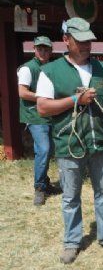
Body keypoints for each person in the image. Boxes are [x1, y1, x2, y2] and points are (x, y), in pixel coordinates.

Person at [36, 17, 103, 264]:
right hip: (69, 143)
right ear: (66, 40)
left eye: (89, 41)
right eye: (81, 41)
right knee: (70, 197)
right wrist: (75, 100)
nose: (87, 45)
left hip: (100, 141)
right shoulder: (50, 72)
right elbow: (43, 107)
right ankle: (72, 241)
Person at [18, 35, 58, 206]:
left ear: (50, 51)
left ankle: (45, 182)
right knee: (44, 149)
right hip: (35, 115)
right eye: (39, 48)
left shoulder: (52, 68)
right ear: (34, 49)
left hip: (50, 114)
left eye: (46, 49)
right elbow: (22, 92)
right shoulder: (28, 69)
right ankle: (39, 188)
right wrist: (44, 97)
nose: (43, 51)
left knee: (48, 150)